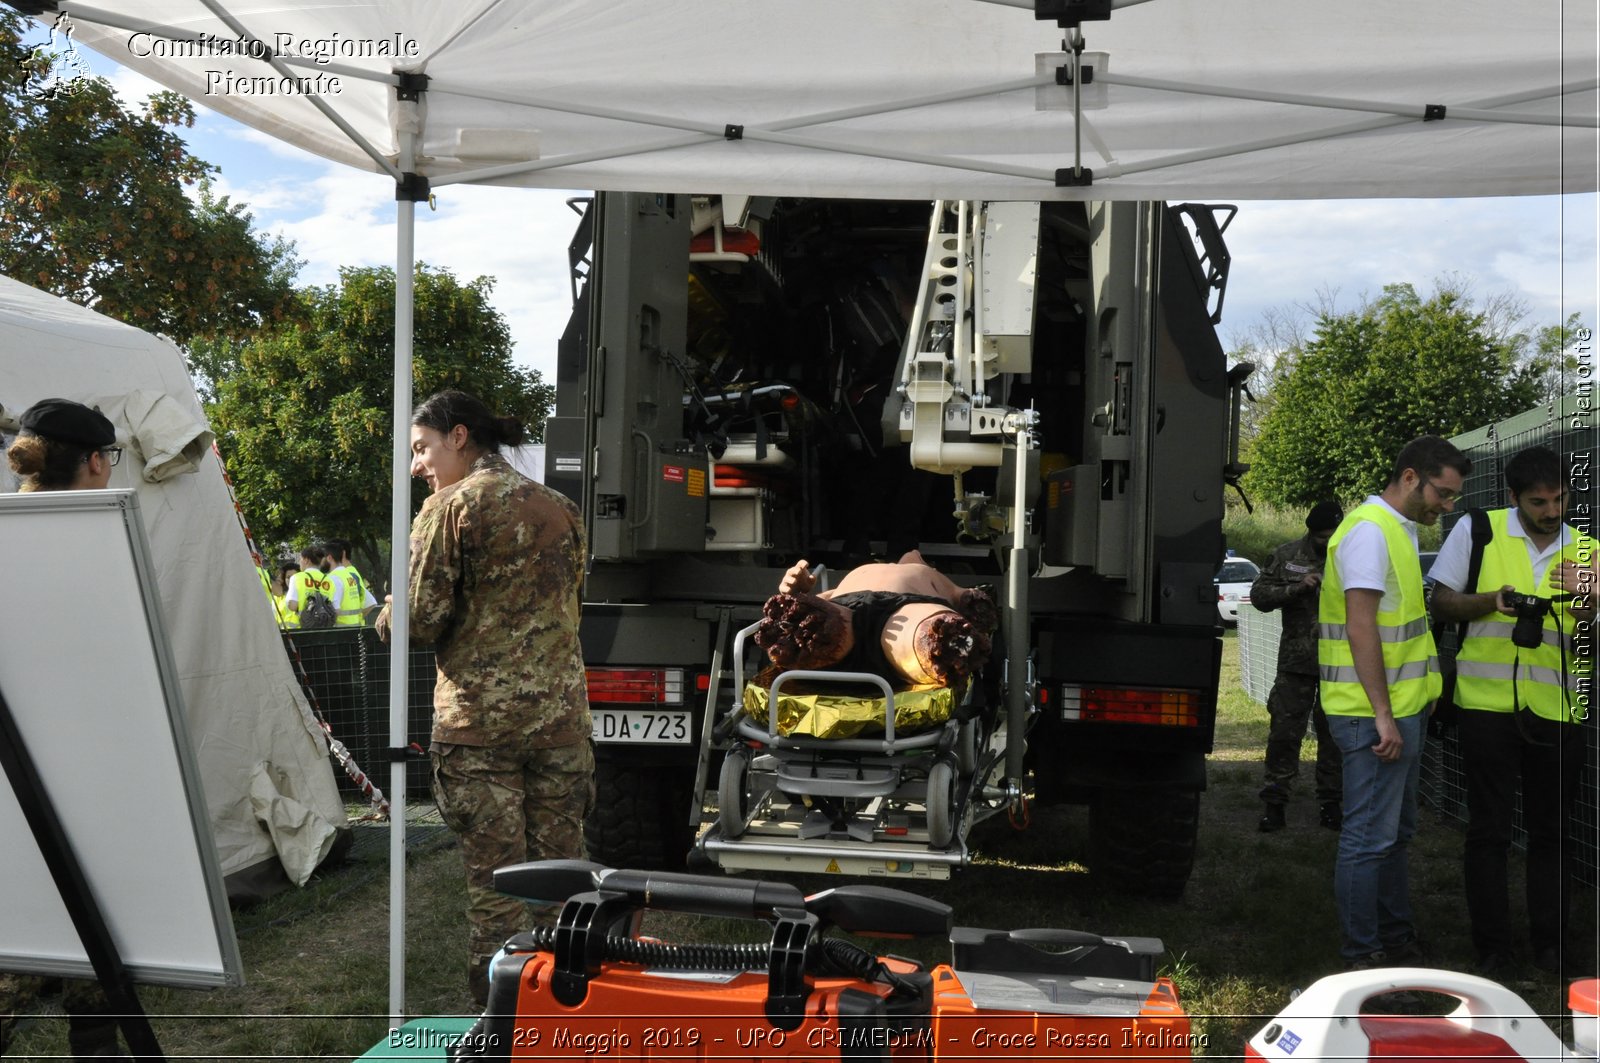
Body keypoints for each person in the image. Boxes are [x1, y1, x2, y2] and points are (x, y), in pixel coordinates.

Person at [375, 390, 593, 1008]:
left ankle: (502, 1024)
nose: (417, 464)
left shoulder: (449, 508)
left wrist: (387, 612)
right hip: (561, 725)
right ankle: (569, 1014)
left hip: (479, 730)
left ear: (459, 436)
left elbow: (420, 621)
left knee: (498, 890)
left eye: (422, 448)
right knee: (564, 880)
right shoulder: (561, 508)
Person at [1427, 444, 1596, 978]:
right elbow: (1440, 602)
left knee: (1553, 835)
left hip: (1559, 710)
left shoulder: (1588, 549)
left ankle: (1551, 947)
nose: (1552, 510)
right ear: (1512, 496)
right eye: (1539, 501)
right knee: (1489, 832)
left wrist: (1593, 600)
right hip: (1485, 707)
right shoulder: (1478, 530)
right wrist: (1489, 602)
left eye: (1560, 499)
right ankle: (1493, 950)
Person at [2, 398, 128, 1060]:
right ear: (92, 462)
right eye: (110, 457)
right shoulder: (93, 541)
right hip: (69, 791)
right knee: (74, 948)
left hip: (25, 793)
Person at [1319, 434, 1468, 970]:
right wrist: (1384, 715)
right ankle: (1366, 957)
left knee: (1394, 834)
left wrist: (1412, 702)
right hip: (1372, 717)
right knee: (1368, 838)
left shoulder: (1394, 530)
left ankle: (1394, 940)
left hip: (1398, 711)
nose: (1447, 506)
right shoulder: (1370, 533)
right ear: (1410, 477)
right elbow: (1362, 628)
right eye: (1443, 494)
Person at [755, 551, 997, 687]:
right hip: (855, 612)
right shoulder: (925, 572)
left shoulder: (926, 572)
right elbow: (967, 599)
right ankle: (939, 642)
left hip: (877, 609)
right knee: (924, 631)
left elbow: (967, 600)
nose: (911, 554)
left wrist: (799, 597)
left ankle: (942, 644)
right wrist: (800, 598)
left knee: (937, 634)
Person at [1252, 501, 1345, 833]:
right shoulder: (1288, 555)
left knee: (1334, 737)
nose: (1327, 542)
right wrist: (1297, 587)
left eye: (1332, 536)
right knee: (1284, 735)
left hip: (1340, 663)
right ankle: (1275, 804)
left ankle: (1332, 805)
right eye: (1321, 537)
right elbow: (1260, 596)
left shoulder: (1351, 556)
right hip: (1296, 663)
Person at [325, 538, 378, 626]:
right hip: (354, 629)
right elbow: (370, 603)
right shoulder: (351, 573)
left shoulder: (345, 574)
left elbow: (370, 604)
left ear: (343, 553)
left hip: (344, 630)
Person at [284, 543, 337, 628]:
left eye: (300, 559)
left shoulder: (297, 578)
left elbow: (292, 605)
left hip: (304, 628)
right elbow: (336, 609)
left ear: (306, 560)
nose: (300, 562)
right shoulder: (329, 581)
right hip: (325, 629)